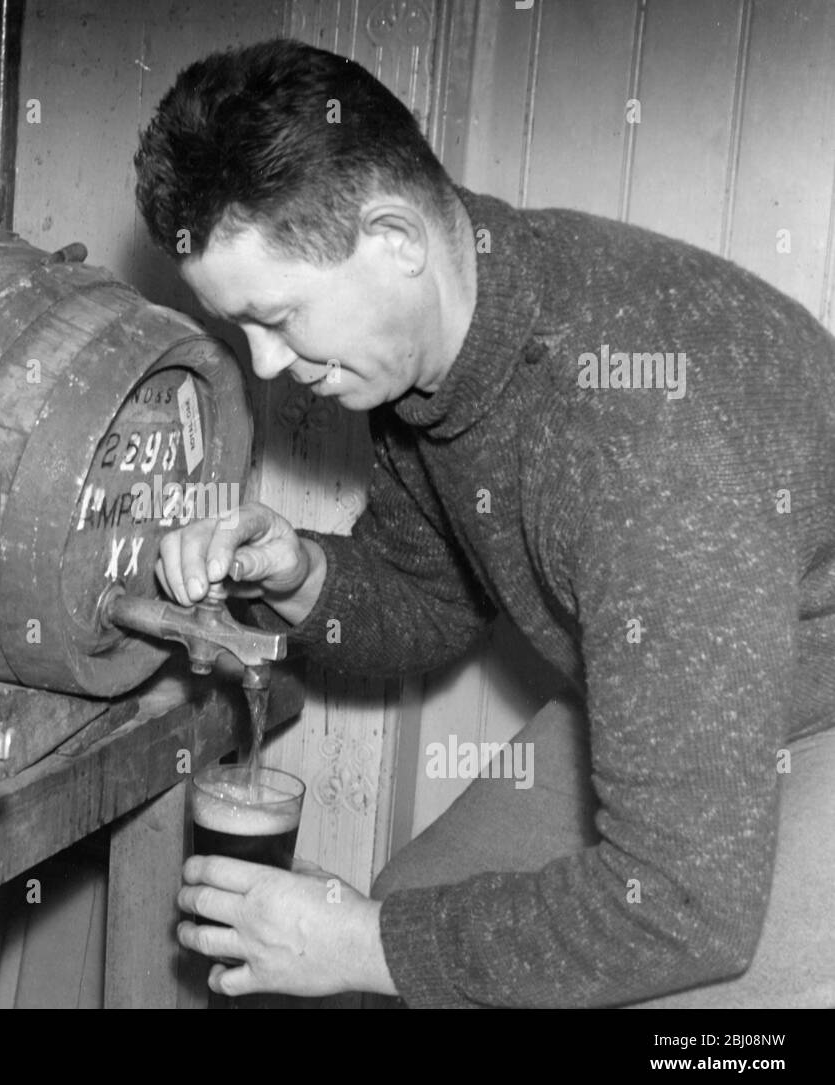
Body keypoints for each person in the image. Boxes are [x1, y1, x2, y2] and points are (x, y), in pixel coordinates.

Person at [133, 37, 835, 1007]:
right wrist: (302, 577)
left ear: (393, 240)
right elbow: (431, 599)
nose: (262, 365)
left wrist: (359, 946)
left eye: (278, 317)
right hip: (666, 676)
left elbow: (682, 910)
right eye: (236, 327)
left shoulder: (634, 445)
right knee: (408, 926)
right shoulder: (438, 326)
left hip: (807, 704)